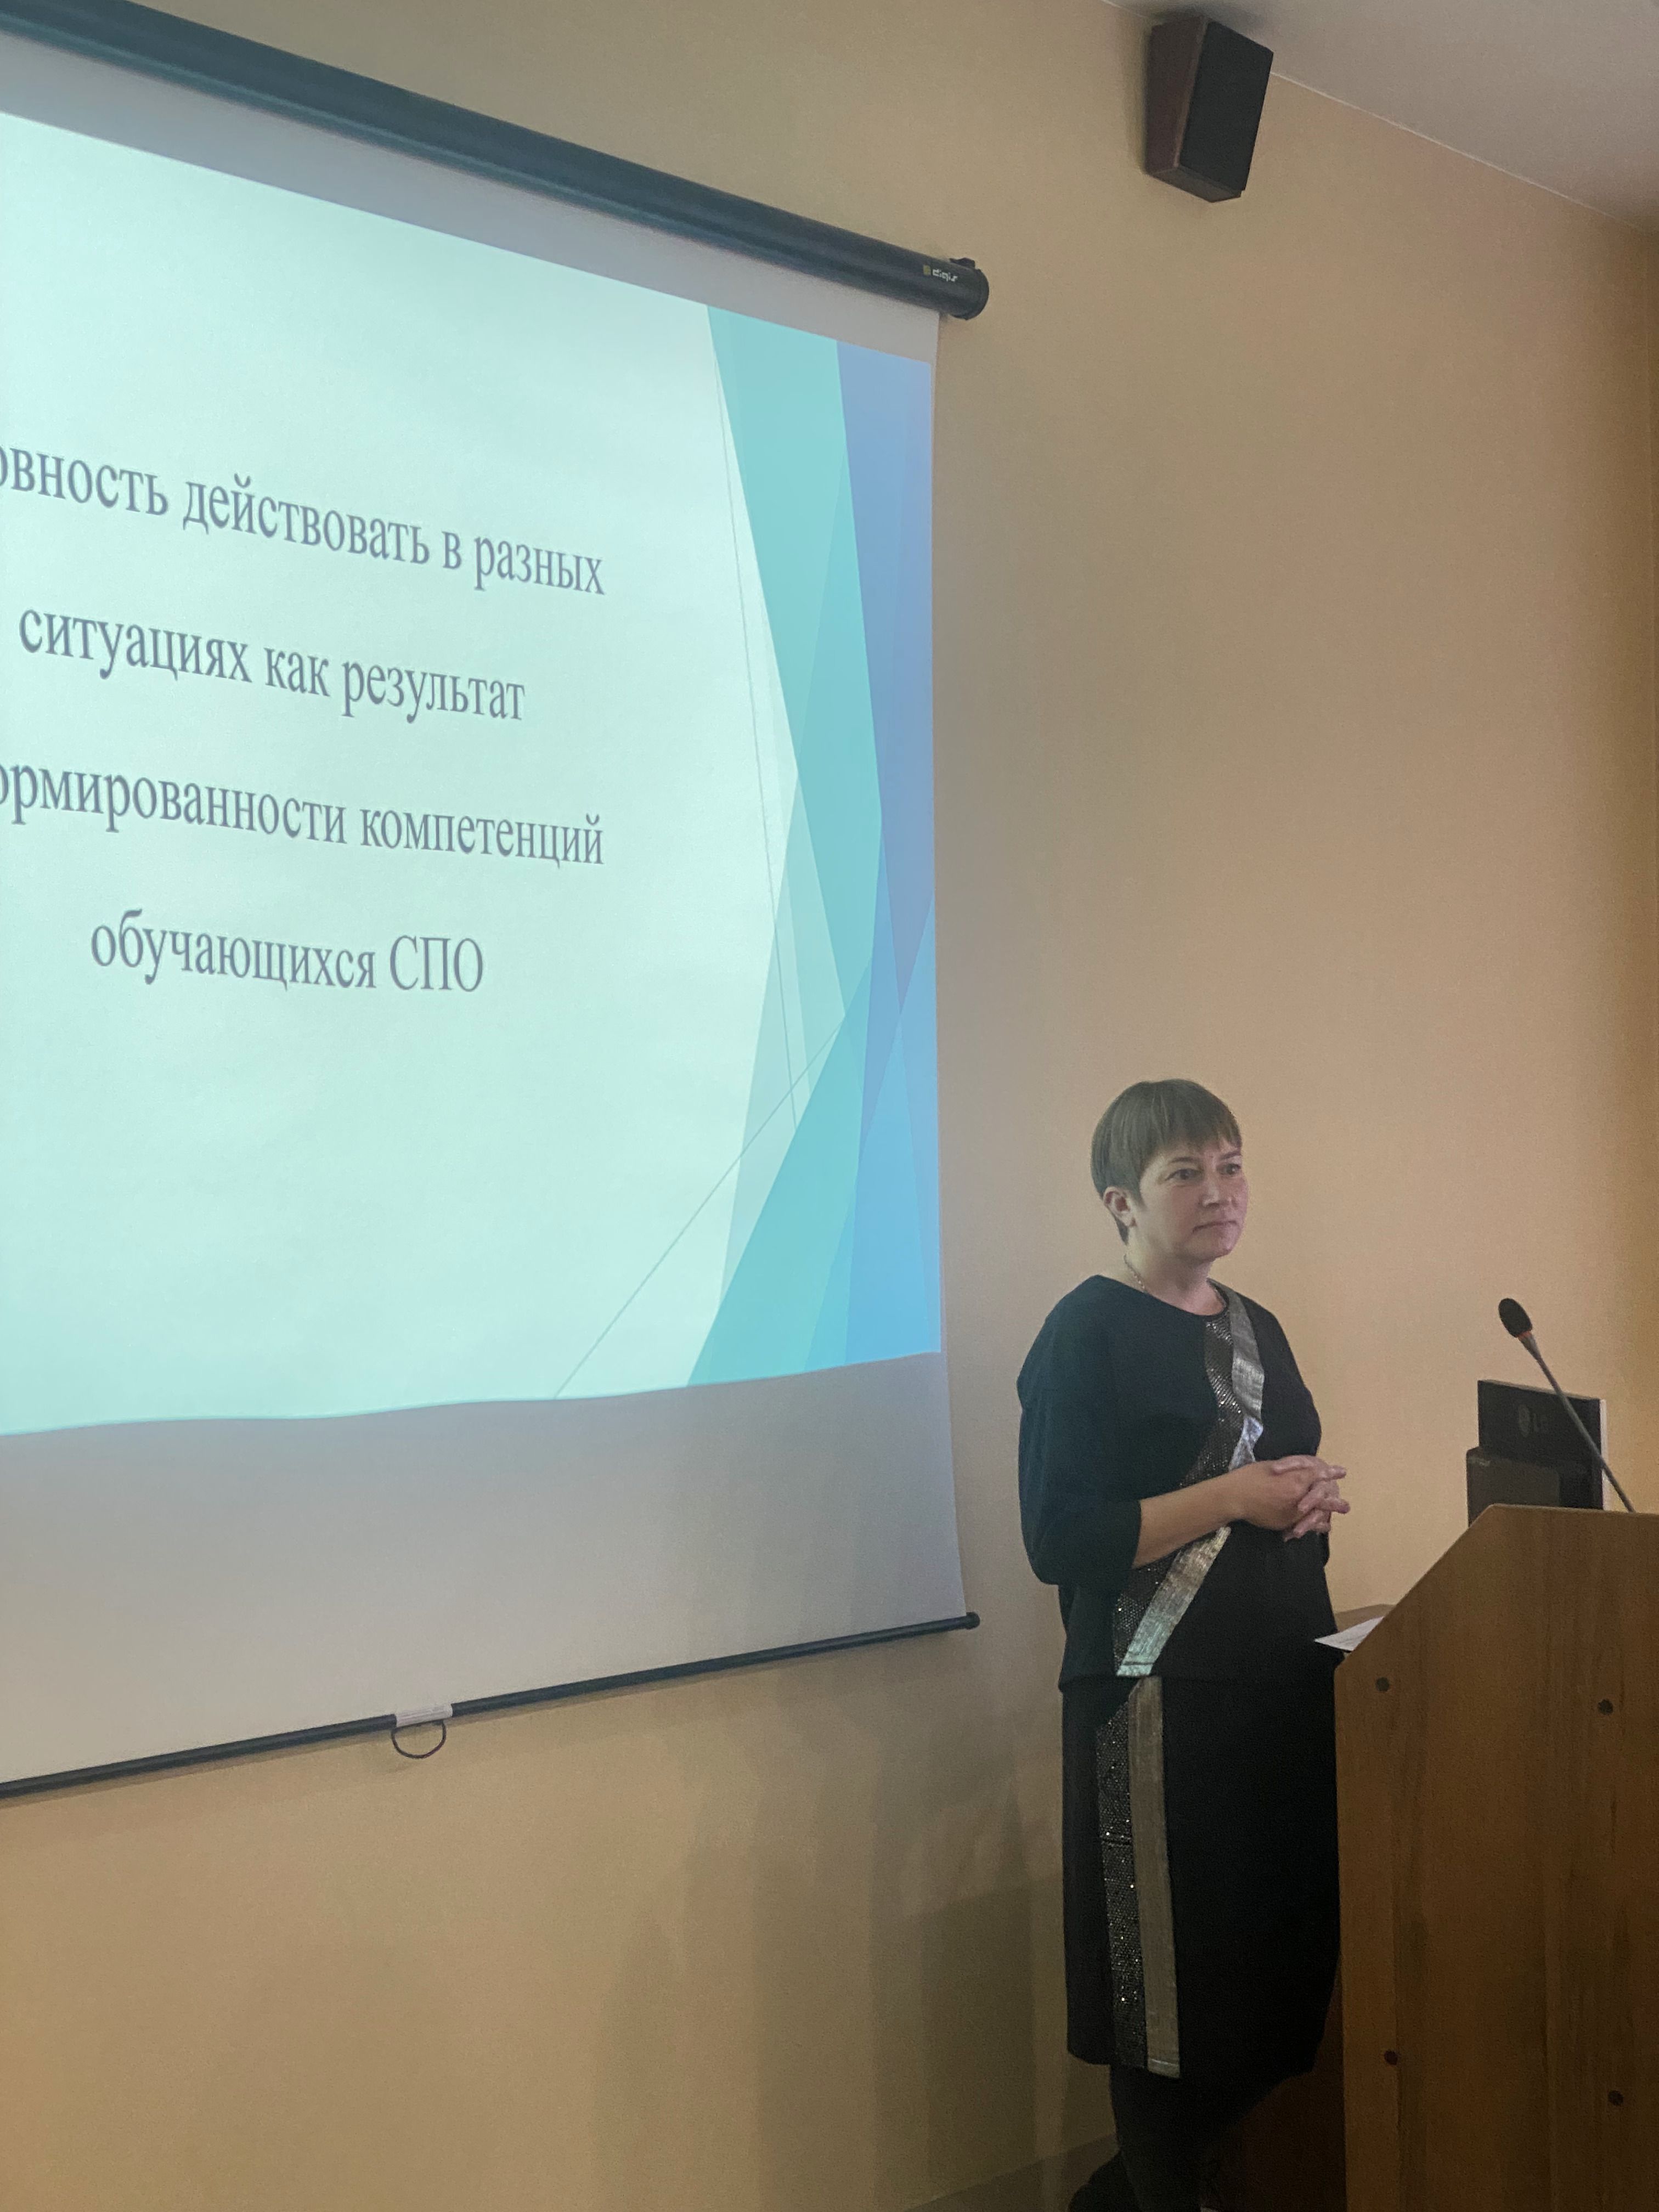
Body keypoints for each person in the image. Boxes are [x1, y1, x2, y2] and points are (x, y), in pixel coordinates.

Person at [1017, 1080, 1348, 2212]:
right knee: (1166, 2002)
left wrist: (1303, 1501)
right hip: (1155, 1705)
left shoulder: (1259, 1326)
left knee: (1281, 1986)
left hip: (1281, 1688)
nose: (1221, 1192)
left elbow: (1268, 1482)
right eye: (1186, 1173)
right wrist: (1235, 1498)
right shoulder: (1084, 1334)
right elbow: (1063, 1537)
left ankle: (1117, 2200)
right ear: (1122, 1201)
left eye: (1232, 1165)